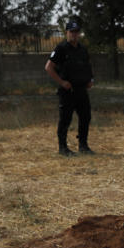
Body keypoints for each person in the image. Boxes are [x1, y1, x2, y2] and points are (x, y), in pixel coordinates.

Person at [45, 19, 94, 156]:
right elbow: (48, 67)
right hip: (67, 91)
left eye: (76, 32)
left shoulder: (82, 49)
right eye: (72, 32)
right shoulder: (61, 49)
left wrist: (91, 79)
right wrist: (61, 82)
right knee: (65, 119)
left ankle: (83, 145)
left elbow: (88, 65)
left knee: (85, 117)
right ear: (66, 33)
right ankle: (63, 148)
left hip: (81, 89)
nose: (74, 34)